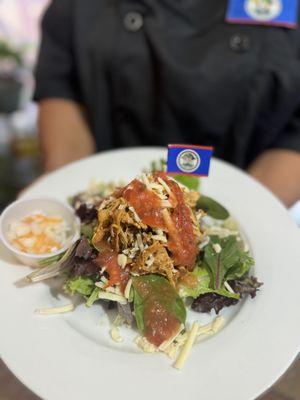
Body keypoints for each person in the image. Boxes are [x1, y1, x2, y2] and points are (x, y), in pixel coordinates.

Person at [34, 0, 300, 206]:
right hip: (105, 194)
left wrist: (242, 221)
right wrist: (64, 196)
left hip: (244, 196)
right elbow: (62, 88)